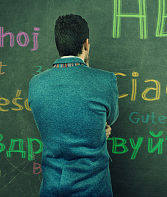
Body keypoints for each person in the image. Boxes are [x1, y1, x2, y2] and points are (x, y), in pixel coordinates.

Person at [29, 14, 119, 196]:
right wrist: (99, 129)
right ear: (86, 44)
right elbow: (110, 118)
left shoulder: (36, 83)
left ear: (59, 45)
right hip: (93, 189)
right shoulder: (105, 81)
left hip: (52, 187)